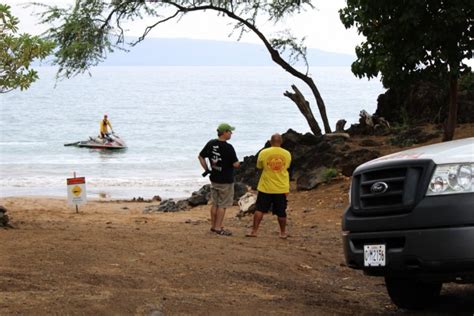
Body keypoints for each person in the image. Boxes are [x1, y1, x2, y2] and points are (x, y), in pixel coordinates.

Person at [246, 133, 292, 239]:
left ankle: (254, 231)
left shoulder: (264, 152)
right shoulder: (287, 154)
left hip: (265, 187)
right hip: (281, 187)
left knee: (260, 209)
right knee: (281, 212)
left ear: (270, 142)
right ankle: (283, 232)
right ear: (281, 142)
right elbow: (287, 166)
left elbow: (259, 166)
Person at [198, 123, 240, 236]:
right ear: (225, 132)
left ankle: (213, 226)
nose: (231, 133)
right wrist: (238, 164)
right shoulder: (228, 147)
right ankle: (218, 227)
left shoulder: (211, 143)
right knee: (222, 205)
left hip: (214, 178)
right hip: (226, 179)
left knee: (215, 204)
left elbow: (201, 156)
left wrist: (207, 169)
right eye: (230, 131)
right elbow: (235, 164)